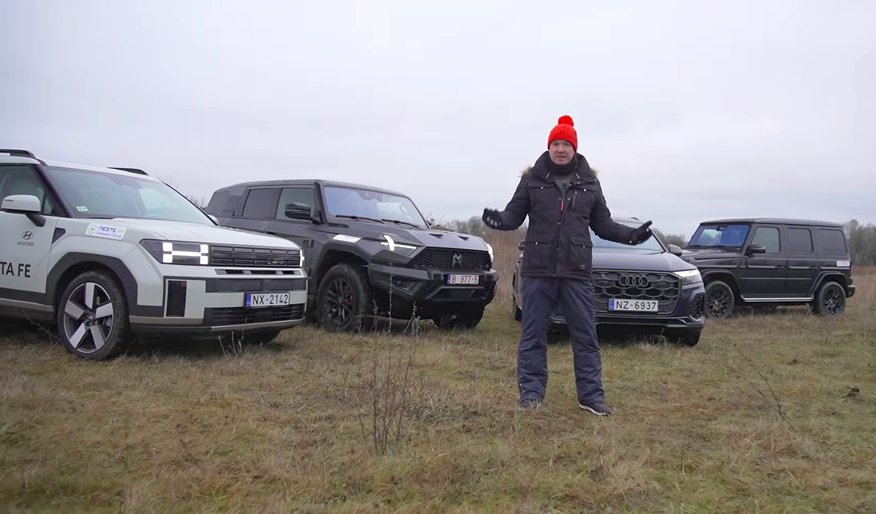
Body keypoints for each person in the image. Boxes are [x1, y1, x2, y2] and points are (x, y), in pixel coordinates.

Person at [482, 115, 653, 415]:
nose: (560, 149)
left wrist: (631, 236)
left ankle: (591, 397)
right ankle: (532, 394)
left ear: (574, 148)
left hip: (576, 272)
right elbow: (514, 215)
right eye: (556, 143)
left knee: (586, 336)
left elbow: (602, 223)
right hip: (538, 271)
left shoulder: (589, 183)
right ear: (549, 147)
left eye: (566, 144)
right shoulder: (532, 179)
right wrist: (500, 221)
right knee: (533, 334)